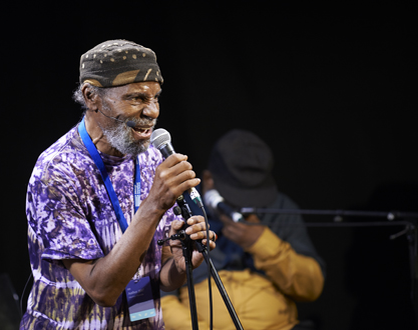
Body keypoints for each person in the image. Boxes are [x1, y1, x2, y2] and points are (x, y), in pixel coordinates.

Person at [20, 39, 216, 330]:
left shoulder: (151, 157)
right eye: (136, 98)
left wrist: (179, 263)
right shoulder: (58, 171)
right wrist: (154, 204)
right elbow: (102, 291)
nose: (152, 111)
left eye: (156, 98)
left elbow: (158, 276)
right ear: (91, 96)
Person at [161, 129, 326, 330]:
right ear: (209, 180)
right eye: (236, 199)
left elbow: (311, 289)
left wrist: (261, 242)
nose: (244, 208)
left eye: (253, 200)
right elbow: (160, 296)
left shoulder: (279, 207)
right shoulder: (179, 214)